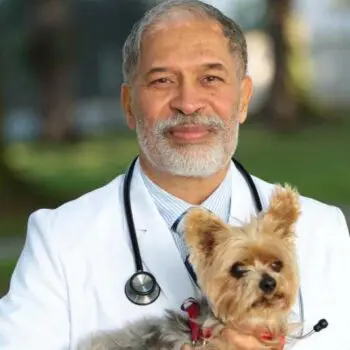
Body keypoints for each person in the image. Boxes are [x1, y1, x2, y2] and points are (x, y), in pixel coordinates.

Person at [0, 0, 349, 349]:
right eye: (162, 80)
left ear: (243, 99)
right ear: (128, 105)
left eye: (210, 78)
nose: (188, 102)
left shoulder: (323, 230)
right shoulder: (60, 240)